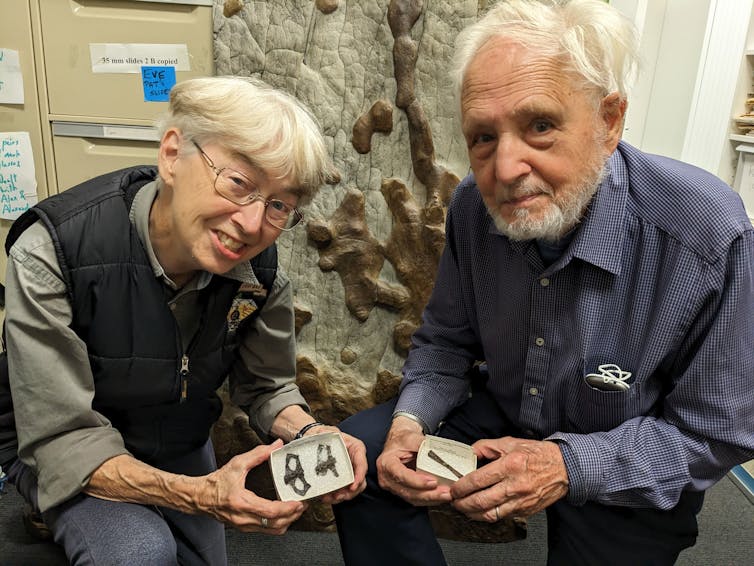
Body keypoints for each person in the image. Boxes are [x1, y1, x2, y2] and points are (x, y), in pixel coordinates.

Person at [332, 1, 754, 564]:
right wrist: (411, 421)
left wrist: (566, 464)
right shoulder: (471, 207)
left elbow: (714, 432)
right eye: (483, 136)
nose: (506, 168)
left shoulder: (707, 231)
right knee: (363, 455)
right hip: (509, 403)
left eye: (540, 125)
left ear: (609, 120)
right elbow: (445, 343)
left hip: (629, 442)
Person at [0, 75, 367, 565]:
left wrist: (310, 432)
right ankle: (58, 507)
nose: (254, 224)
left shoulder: (261, 274)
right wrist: (198, 495)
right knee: (142, 553)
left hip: (174, 436)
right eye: (239, 183)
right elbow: (65, 440)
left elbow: (267, 389)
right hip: (65, 440)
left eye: (280, 205)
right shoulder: (53, 253)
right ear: (172, 155)